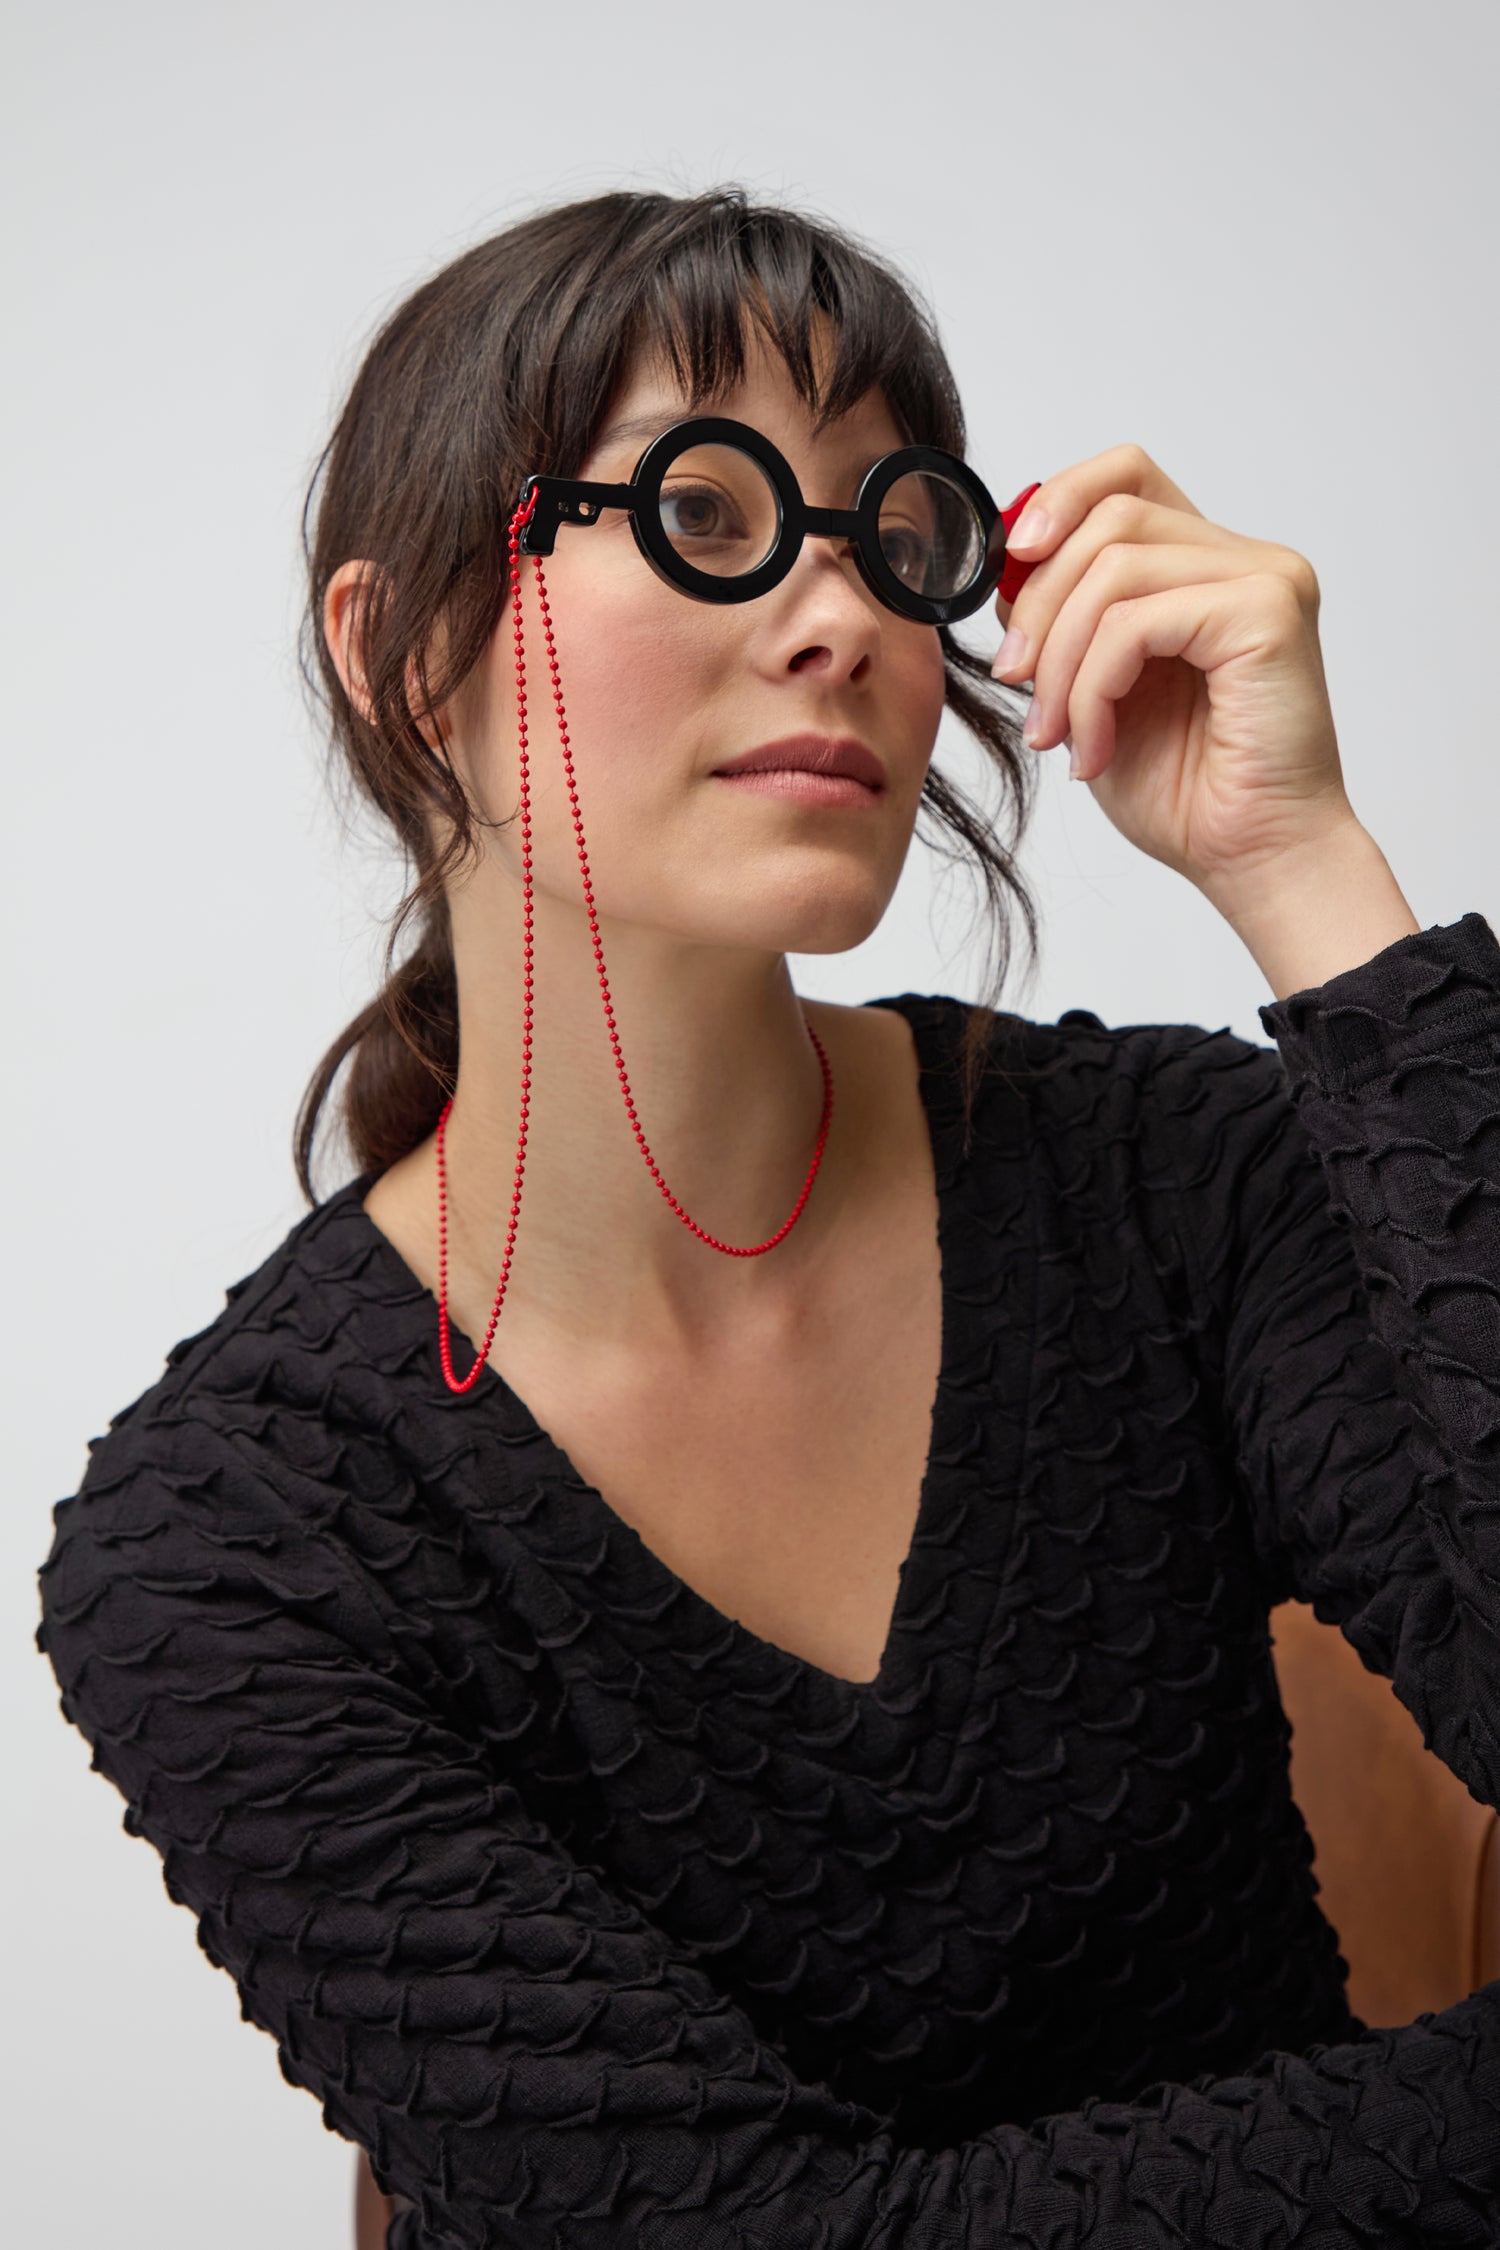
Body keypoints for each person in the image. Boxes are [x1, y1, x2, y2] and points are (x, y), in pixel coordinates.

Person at [35, 185, 1500, 2247]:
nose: (841, 615)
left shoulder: (1170, 1179)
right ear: (399, 656)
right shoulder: (223, 1547)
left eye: (896, 533)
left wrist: (1312, 881)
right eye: (706, 513)